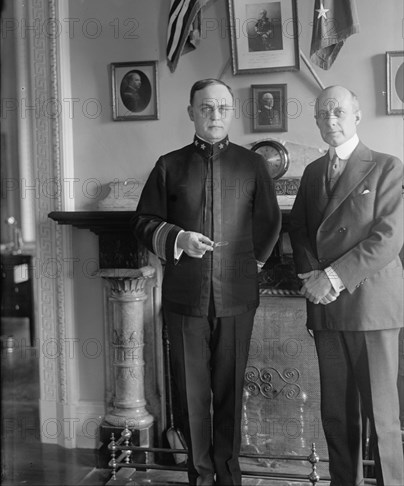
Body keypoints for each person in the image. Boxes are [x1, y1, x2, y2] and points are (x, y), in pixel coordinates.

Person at [132, 78, 282, 485]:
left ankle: (229, 475)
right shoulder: (169, 165)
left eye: (222, 108)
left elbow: (270, 221)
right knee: (191, 397)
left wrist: (252, 265)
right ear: (191, 113)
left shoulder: (252, 166)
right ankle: (199, 476)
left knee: (231, 392)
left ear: (232, 113)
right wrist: (178, 238)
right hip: (185, 299)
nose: (215, 115)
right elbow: (143, 223)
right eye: (206, 107)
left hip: (236, 298)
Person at [289, 85, 403, 486]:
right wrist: (310, 277)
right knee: (337, 416)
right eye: (322, 114)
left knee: (383, 419)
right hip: (326, 309)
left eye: (338, 112)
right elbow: (298, 228)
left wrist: (331, 279)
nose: (330, 120)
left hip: (370, 307)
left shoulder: (388, 166)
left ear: (357, 116)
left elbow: (387, 238)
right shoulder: (312, 172)